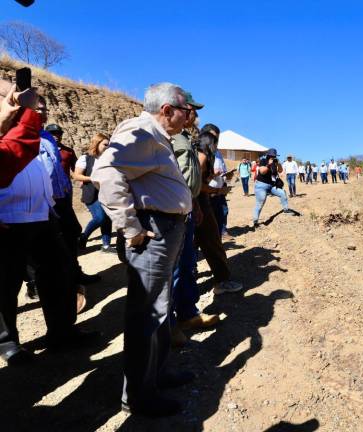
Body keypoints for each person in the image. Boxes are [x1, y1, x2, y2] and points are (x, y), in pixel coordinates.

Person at [91, 82, 194, 417]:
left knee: (160, 310)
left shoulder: (156, 136)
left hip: (166, 229)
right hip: (153, 232)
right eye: (185, 109)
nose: (189, 115)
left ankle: (156, 374)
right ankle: (138, 394)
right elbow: (106, 171)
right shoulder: (141, 132)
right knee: (147, 315)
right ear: (166, 109)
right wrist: (130, 227)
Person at [1, 83, 100, 366]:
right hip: (8, 219)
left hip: (42, 216)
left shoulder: (40, 136)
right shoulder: (4, 129)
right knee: (5, 285)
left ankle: (62, 332)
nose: (38, 110)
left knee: (61, 273)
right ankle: (8, 344)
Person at [170, 96, 220, 347]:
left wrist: (197, 204)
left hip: (188, 210)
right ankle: (168, 328)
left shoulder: (185, 138)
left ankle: (188, 315)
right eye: (191, 110)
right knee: (175, 270)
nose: (194, 116)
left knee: (188, 265)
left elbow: (189, 179)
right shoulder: (165, 137)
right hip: (172, 214)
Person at [195, 129, 244, 295]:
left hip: (198, 202)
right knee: (213, 242)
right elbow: (196, 185)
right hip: (199, 202)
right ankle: (222, 281)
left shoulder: (199, 155)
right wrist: (215, 191)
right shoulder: (202, 157)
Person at [73, 133, 114, 253]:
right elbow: (76, 175)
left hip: (106, 193)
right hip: (91, 194)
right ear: (97, 143)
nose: (107, 147)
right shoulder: (85, 158)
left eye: (109, 145)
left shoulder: (110, 159)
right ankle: (83, 237)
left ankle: (106, 245)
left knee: (107, 218)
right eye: (105, 144)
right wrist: (93, 178)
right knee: (100, 217)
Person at [251, 148, 300, 227]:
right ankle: (255, 222)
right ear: (268, 155)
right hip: (261, 186)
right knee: (260, 203)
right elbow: (262, 172)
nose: (273, 157)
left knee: (282, 193)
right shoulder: (263, 161)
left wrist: (278, 164)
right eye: (271, 156)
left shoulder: (274, 163)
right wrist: (269, 164)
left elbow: (280, 171)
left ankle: (286, 209)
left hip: (271, 185)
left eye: (274, 156)